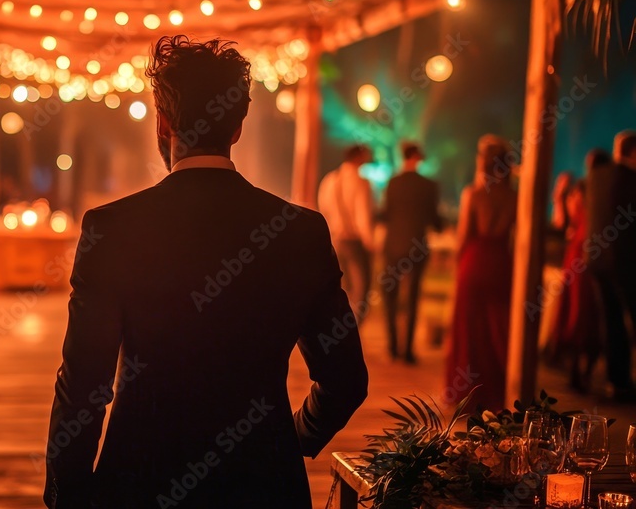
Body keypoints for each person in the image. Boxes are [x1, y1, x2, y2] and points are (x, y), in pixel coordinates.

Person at [43, 36, 368, 509]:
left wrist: (66, 496)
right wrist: (292, 436)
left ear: (163, 121)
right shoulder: (299, 231)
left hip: (139, 484)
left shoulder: (112, 228)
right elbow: (346, 378)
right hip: (265, 486)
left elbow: (83, 386)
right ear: (237, 127)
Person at [445, 135, 517, 411]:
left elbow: (464, 235)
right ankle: (497, 391)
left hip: (474, 262)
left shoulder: (473, 194)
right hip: (500, 262)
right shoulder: (514, 197)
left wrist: (456, 263)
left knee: (469, 330)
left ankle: (466, 393)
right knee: (497, 328)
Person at [547, 149, 610, 391]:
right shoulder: (607, 190)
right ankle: (586, 370)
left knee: (577, 311)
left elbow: (563, 223)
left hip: (578, 253)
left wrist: (559, 197)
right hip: (597, 253)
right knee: (591, 313)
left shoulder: (582, 188)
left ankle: (574, 369)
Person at [380, 142, 442, 364]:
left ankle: (392, 347)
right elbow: (434, 219)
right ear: (417, 157)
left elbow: (386, 213)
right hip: (417, 247)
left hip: (393, 245)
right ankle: (407, 350)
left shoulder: (393, 183)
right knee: (413, 297)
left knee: (390, 296)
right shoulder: (428, 185)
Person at [587, 131, 636, 402]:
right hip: (625, 261)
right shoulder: (630, 178)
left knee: (611, 321)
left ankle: (616, 381)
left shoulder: (597, 176)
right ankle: (622, 381)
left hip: (597, 261)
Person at [317, 144, 375, 321]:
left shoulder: (330, 180)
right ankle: (353, 326)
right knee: (361, 288)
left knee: (342, 287)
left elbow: (323, 208)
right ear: (358, 157)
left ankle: (339, 324)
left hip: (336, 240)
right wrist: (370, 242)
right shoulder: (361, 182)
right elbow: (363, 215)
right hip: (354, 241)